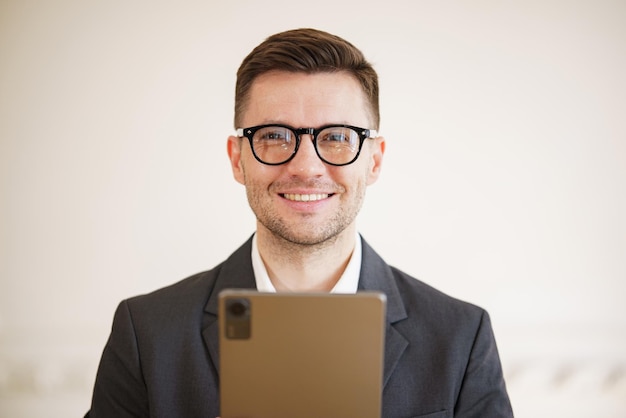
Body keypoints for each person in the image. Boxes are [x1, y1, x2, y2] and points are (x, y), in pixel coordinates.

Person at [85, 28, 513, 417]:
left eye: (337, 137)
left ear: (375, 160)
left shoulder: (460, 337)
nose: (306, 167)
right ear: (237, 159)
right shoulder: (147, 335)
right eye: (273, 135)